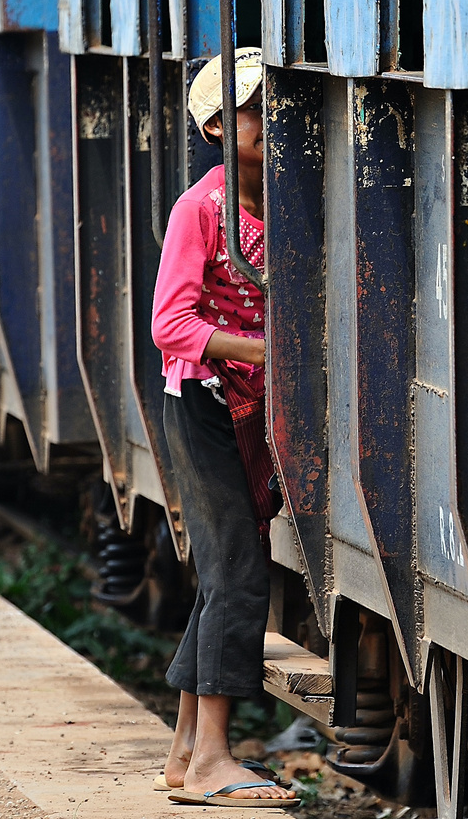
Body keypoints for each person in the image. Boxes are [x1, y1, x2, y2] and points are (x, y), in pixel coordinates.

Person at [149, 48, 298, 807]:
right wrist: (262, 349)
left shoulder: (285, 200)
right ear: (215, 127)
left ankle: (185, 752)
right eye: (252, 109)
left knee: (223, 574)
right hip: (205, 405)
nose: (269, 120)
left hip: (245, 408)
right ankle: (214, 758)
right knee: (239, 571)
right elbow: (169, 323)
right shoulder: (201, 208)